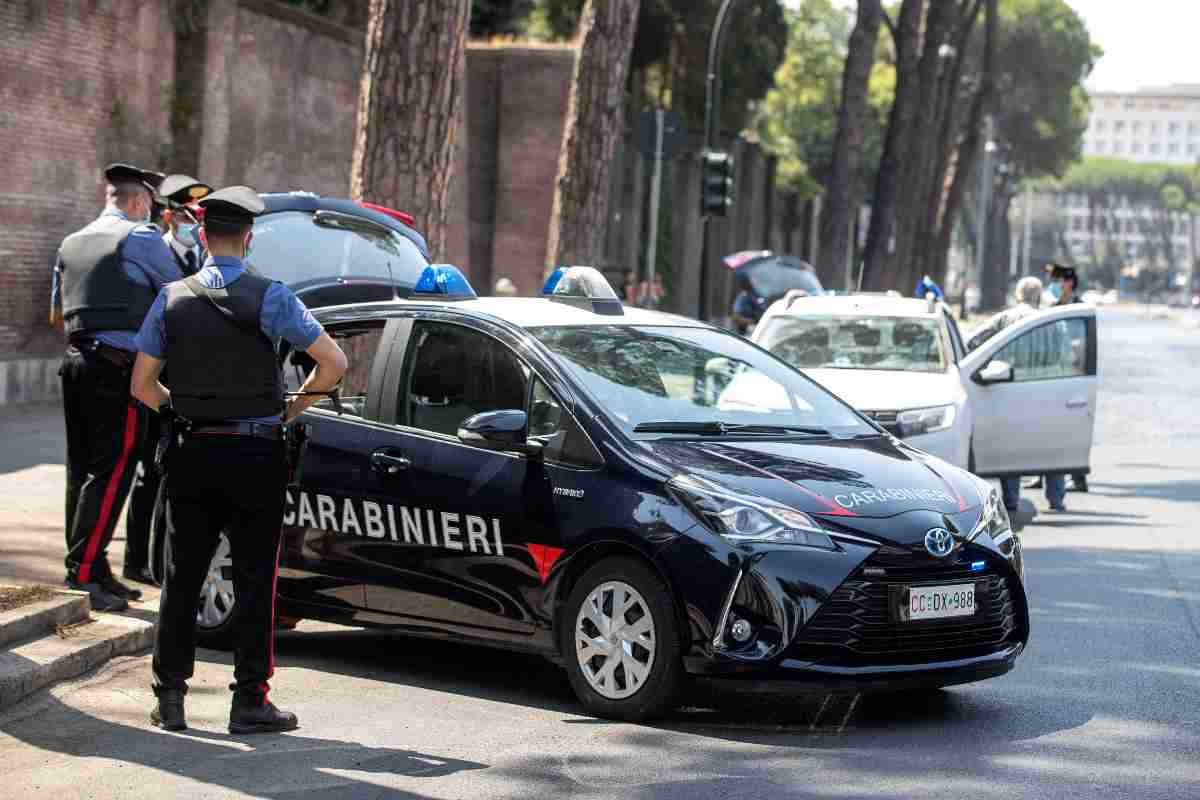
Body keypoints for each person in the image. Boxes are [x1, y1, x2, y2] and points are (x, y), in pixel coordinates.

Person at [131, 185, 347, 734]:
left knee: (182, 577)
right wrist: (291, 410)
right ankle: (249, 701)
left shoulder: (171, 297)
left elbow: (141, 384)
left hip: (192, 451)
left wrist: (181, 410)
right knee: (255, 578)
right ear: (247, 240)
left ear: (202, 236)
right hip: (256, 452)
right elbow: (334, 363)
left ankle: (171, 699)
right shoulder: (272, 297)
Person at [51, 162, 183, 612]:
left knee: (82, 471)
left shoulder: (70, 243)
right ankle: (83, 573)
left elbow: (58, 315)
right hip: (118, 369)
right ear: (141, 202)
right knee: (111, 473)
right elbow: (179, 294)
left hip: (75, 364)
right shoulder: (141, 237)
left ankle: (92, 563)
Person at [121, 175, 214, 586]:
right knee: (148, 472)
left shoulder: (202, 261)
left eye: (199, 217)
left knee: (181, 475)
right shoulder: (155, 256)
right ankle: (135, 558)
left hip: (191, 385)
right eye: (188, 215)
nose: (194, 223)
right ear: (170, 215)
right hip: (157, 381)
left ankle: (167, 561)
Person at [964, 276, 1044, 514]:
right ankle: (1056, 495)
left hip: (1006, 385)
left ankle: (1010, 498)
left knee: (1010, 440)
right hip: (1042, 387)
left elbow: (973, 339)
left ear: (1018, 295)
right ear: (1038, 296)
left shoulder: (1006, 317)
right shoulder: (1046, 320)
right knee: (1047, 438)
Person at [1045, 262, 1088, 496]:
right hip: (1052, 374)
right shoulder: (1051, 307)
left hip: (1075, 374)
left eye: (1057, 281)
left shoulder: (1081, 308)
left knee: (1072, 427)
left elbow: (1084, 342)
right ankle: (1044, 474)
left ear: (1069, 283)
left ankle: (1078, 477)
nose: (1053, 286)